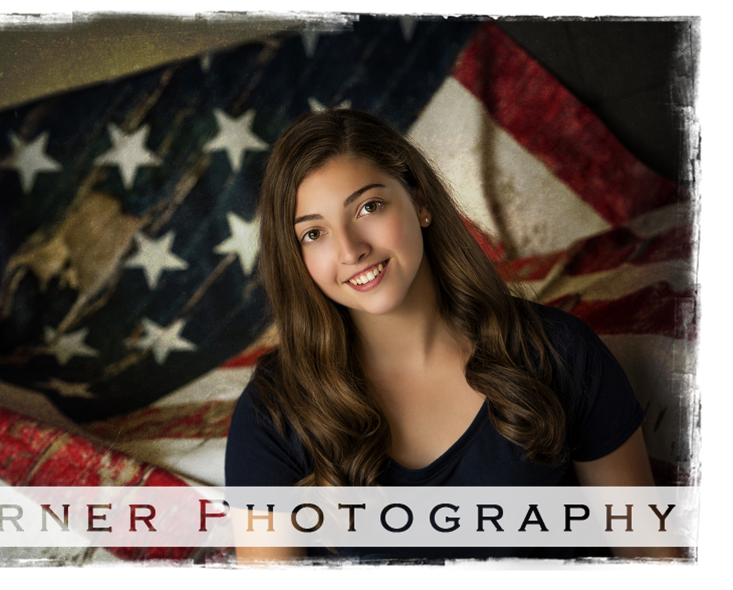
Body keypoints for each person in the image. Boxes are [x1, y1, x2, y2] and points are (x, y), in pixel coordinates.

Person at [224, 109, 675, 563]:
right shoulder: (274, 413)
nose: (351, 249)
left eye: (369, 207)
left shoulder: (559, 352)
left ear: (420, 202)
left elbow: (649, 552)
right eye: (314, 233)